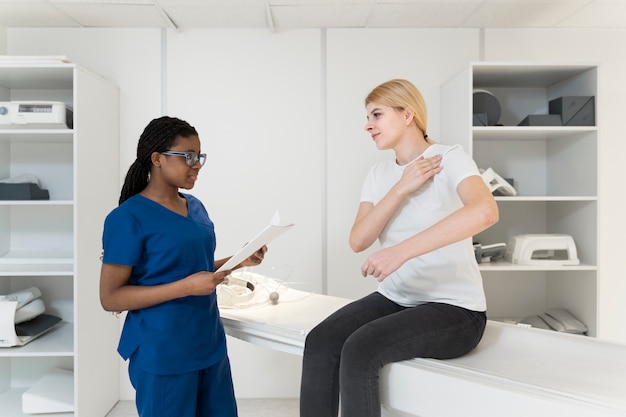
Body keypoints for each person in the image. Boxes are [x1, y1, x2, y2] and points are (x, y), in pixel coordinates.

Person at [299, 79, 499, 417]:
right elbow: (358, 240)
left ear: (408, 115)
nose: (368, 125)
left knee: (360, 347)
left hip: (455, 309)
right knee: (321, 340)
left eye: (376, 114)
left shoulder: (450, 158)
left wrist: (401, 251)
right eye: (367, 117)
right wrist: (401, 188)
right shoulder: (378, 174)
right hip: (396, 298)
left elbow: (485, 212)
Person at [99, 116, 267, 417]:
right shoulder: (126, 218)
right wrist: (186, 287)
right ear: (157, 159)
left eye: (199, 156)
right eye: (188, 156)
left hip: (209, 343)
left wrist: (238, 261)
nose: (197, 164)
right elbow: (111, 298)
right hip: (163, 351)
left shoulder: (195, 207)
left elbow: (191, 268)